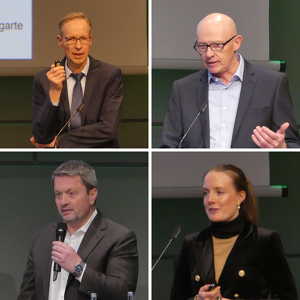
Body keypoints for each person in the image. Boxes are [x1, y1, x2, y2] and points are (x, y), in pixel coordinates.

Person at [160, 13, 300, 148]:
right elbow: (169, 147)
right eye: (202, 46)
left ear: (236, 43)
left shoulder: (272, 84)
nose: (209, 54)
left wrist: (282, 147)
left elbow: (293, 144)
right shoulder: (183, 89)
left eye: (217, 45)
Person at [170, 164, 297, 300]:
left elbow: (288, 297)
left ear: (240, 197)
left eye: (219, 192)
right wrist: (197, 299)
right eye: (206, 193)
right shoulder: (193, 242)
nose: (210, 199)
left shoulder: (264, 240)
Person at [18, 160, 138, 300]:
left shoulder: (119, 237)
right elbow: (27, 294)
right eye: (58, 194)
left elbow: (123, 291)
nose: (63, 201)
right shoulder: (42, 236)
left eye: (71, 193)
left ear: (92, 195)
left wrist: (78, 268)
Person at [31, 12, 122, 148]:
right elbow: (41, 137)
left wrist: (59, 142)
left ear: (90, 40)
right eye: (71, 39)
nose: (78, 46)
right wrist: (54, 93)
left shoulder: (109, 75)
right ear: (60, 41)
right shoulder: (43, 79)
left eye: (83, 38)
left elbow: (108, 129)